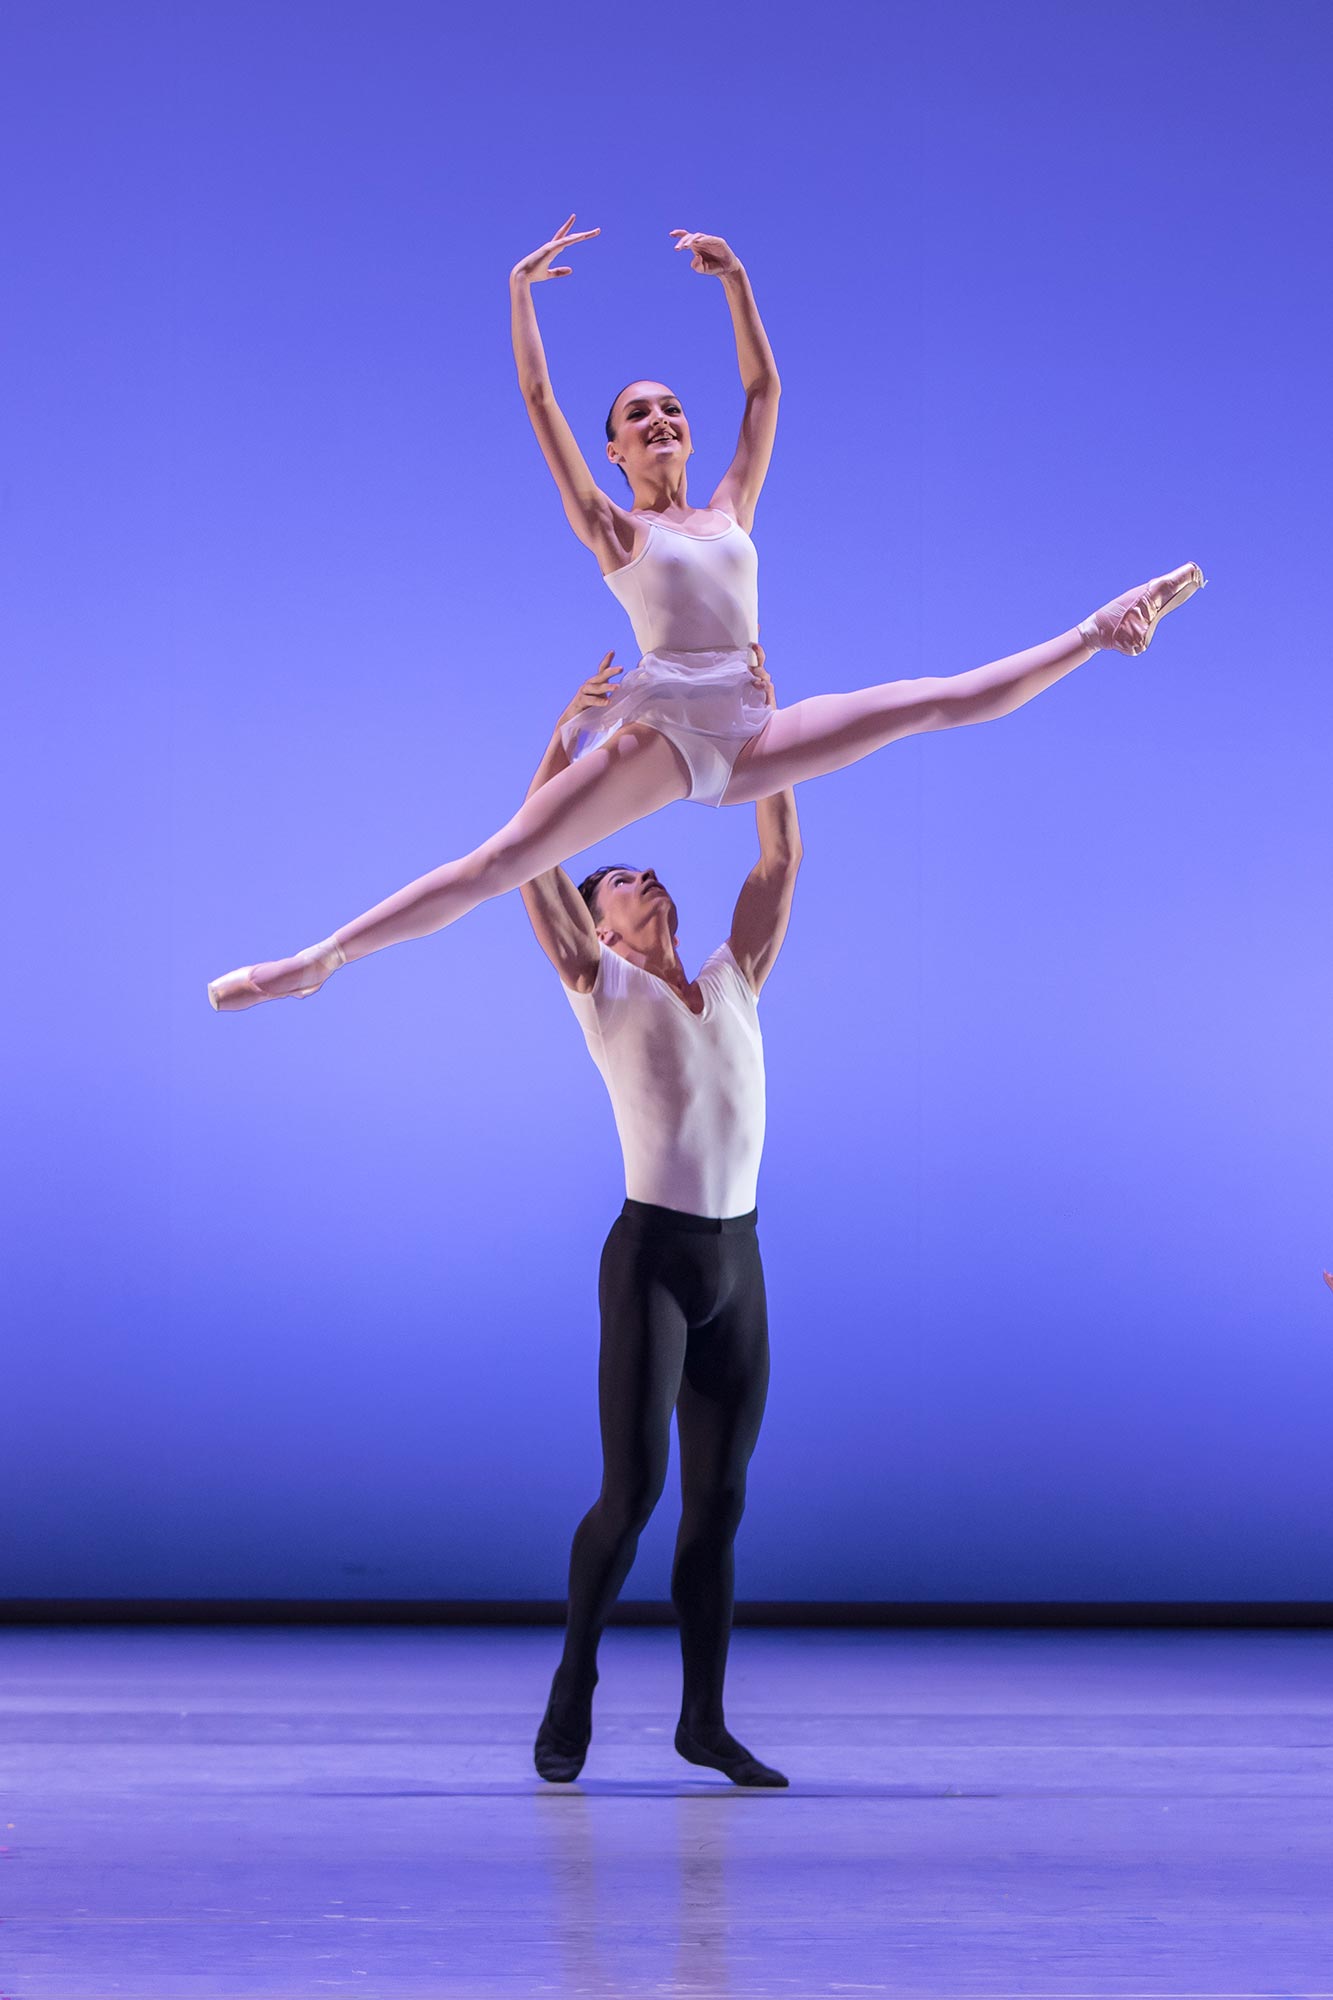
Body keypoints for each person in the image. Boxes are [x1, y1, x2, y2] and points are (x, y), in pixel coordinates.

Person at [208, 218, 1204, 1010]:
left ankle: (1100, 628)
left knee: (928, 701)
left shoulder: (730, 507)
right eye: (637, 415)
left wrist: (735, 281)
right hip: (668, 730)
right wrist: (519, 290)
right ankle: (321, 958)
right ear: (615, 453)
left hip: (751, 727)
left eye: (670, 408)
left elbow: (763, 390)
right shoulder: (614, 529)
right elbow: (538, 398)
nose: (660, 419)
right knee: (506, 857)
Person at [521, 648, 798, 1788]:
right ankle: (574, 1676)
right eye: (621, 879)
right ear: (600, 928)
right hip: (652, 1263)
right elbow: (529, 857)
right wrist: (562, 742)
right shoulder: (602, 987)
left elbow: (777, 855)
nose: (643, 875)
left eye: (646, 868)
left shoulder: (734, 977)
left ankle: (703, 1720)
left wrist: (765, 727)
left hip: (738, 1262)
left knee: (718, 1504)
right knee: (631, 1493)